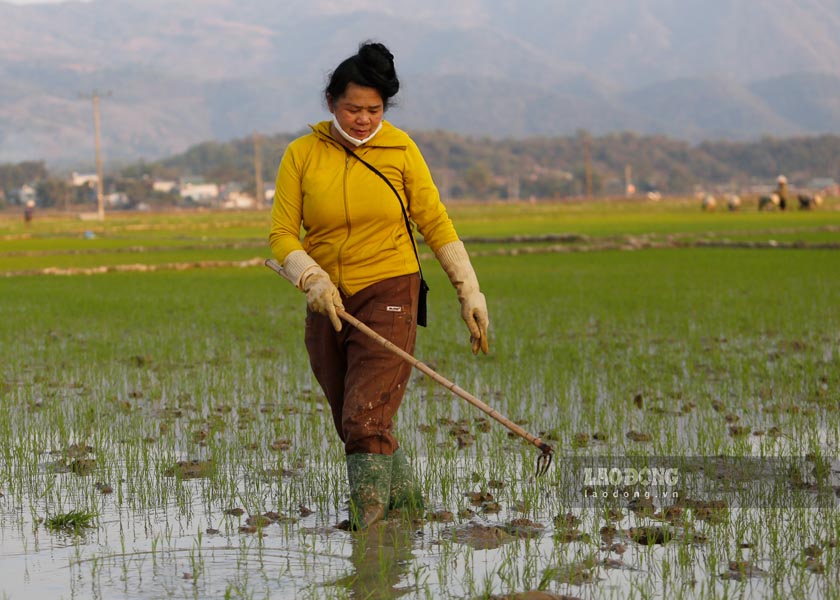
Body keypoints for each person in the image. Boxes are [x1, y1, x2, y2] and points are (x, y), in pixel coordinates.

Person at [269, 41, 490, 530]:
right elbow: (281, 235)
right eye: (352, 109)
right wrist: (312, 277)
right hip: (326, 299)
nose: (364, 119)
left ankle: (367, 534)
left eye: (373, 110)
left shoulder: (402, 150)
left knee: (365, 417)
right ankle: (406, 513)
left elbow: (436, 223)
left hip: (390, 290)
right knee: (353, 418)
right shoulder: (302, 154)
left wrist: (468, 291)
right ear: (330, 103)